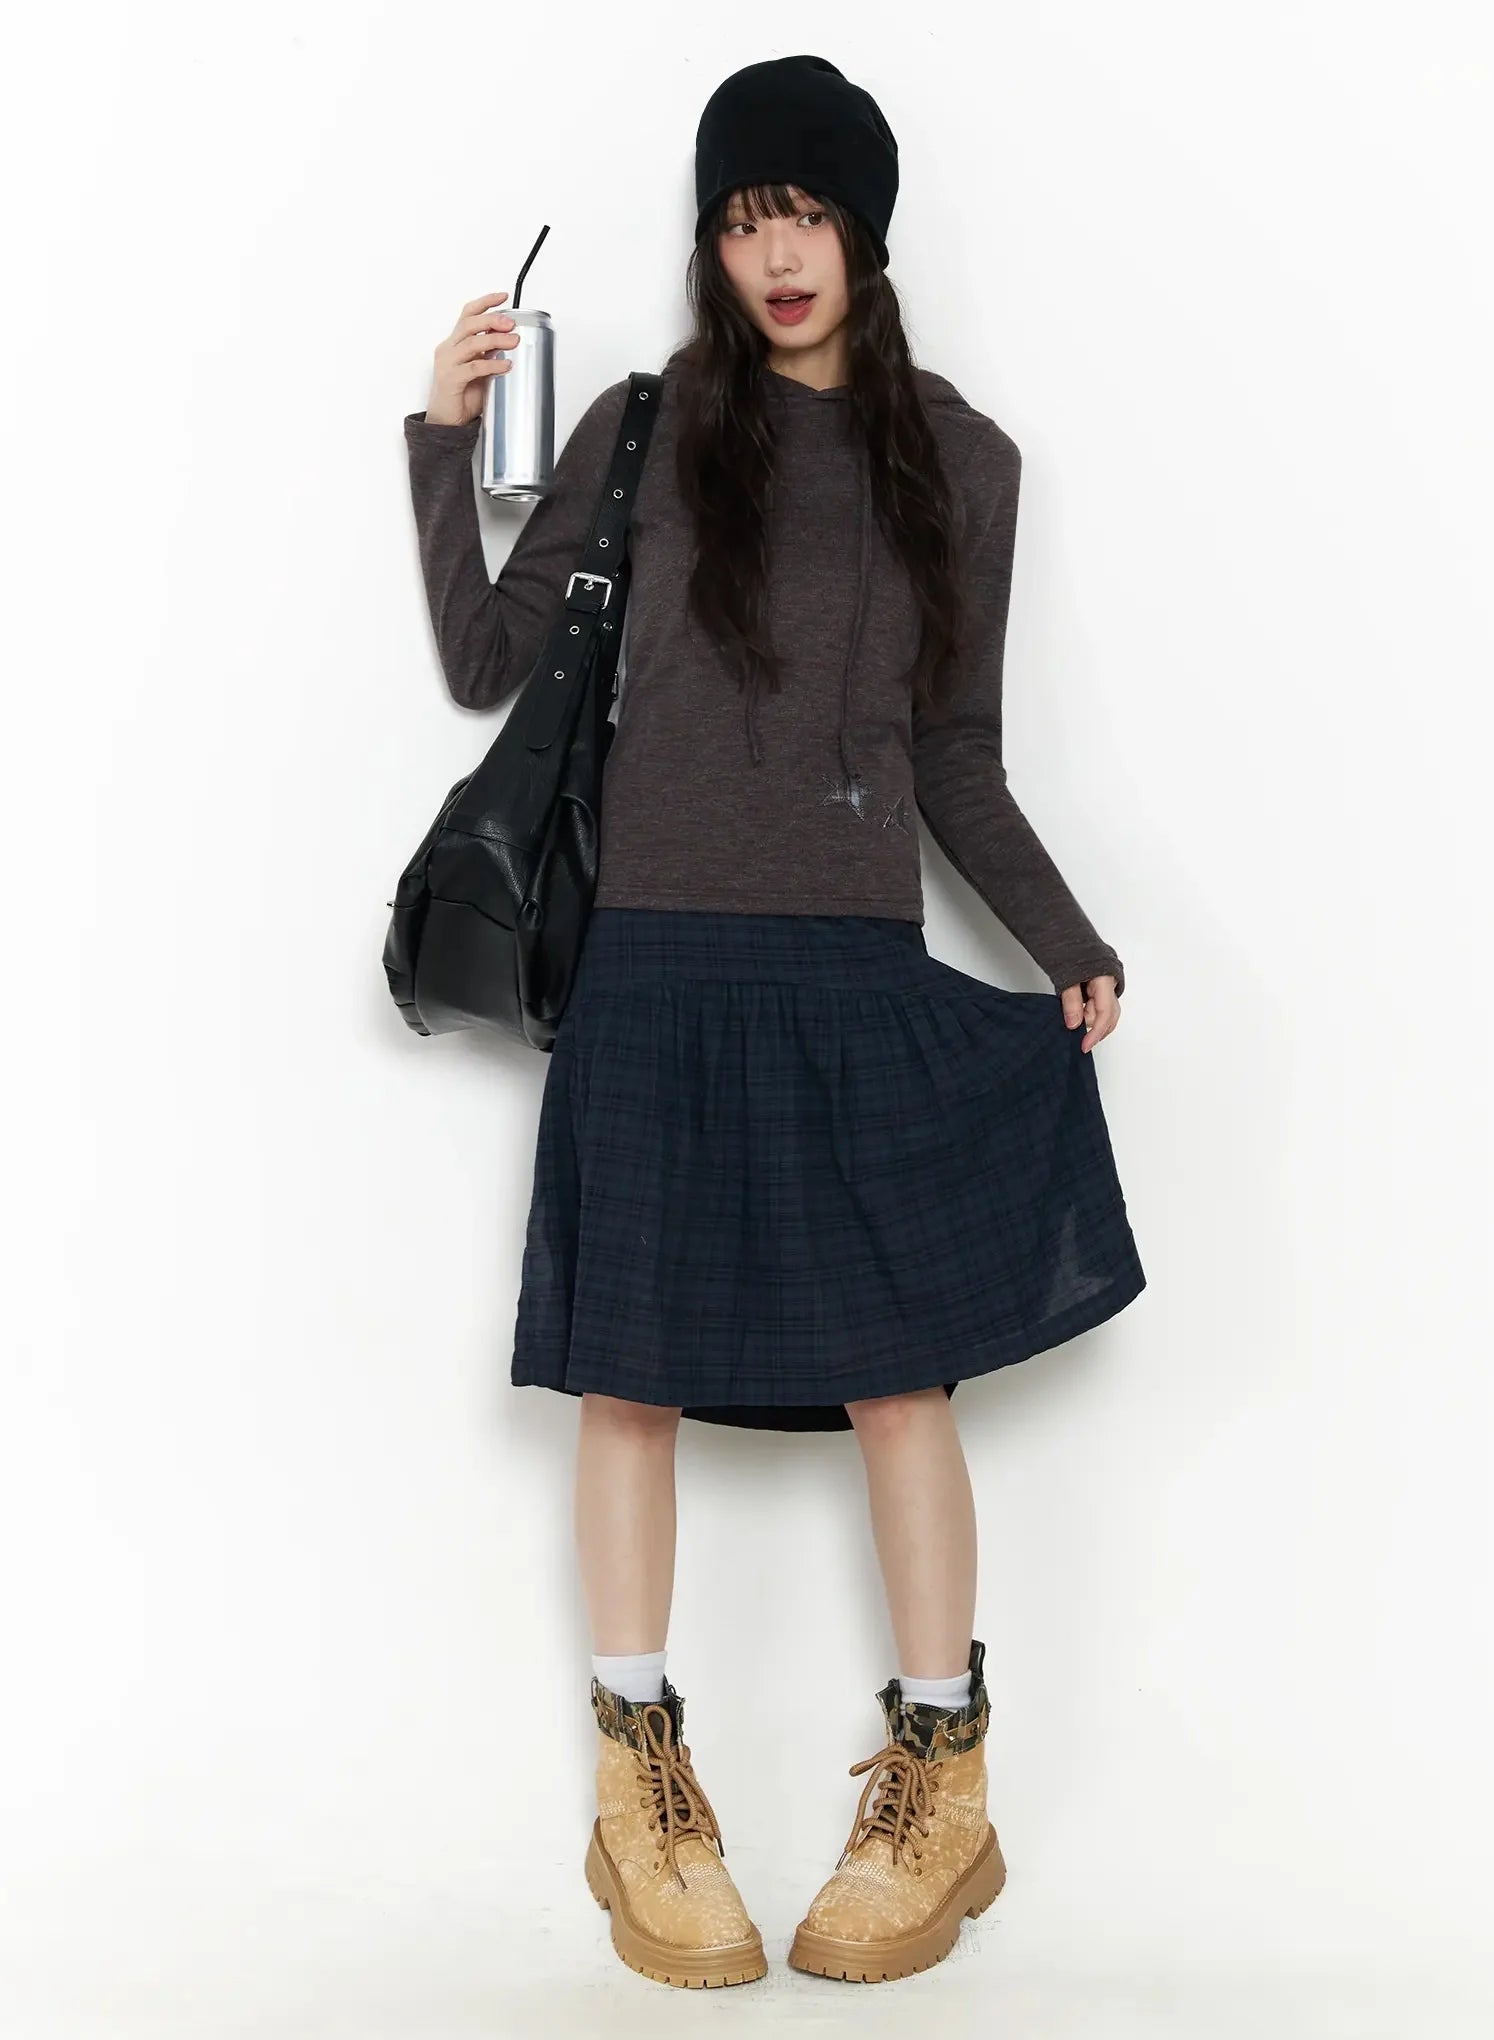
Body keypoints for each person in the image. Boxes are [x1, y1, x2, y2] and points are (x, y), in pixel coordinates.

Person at [402, 52, 1146, 1992]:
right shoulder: (644, 429)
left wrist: (1064, 936)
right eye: (742, 221)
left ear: (864, 229)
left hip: (845, 966)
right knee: (628, 1377)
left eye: (806, 212)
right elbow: (491, 660)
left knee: (902, 1379)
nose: (778, 254)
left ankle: (943, 1787)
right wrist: (443, 442)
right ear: (711, 246)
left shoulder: (962, 463)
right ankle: (639, 1793)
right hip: (653, 969)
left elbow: (954, 753)